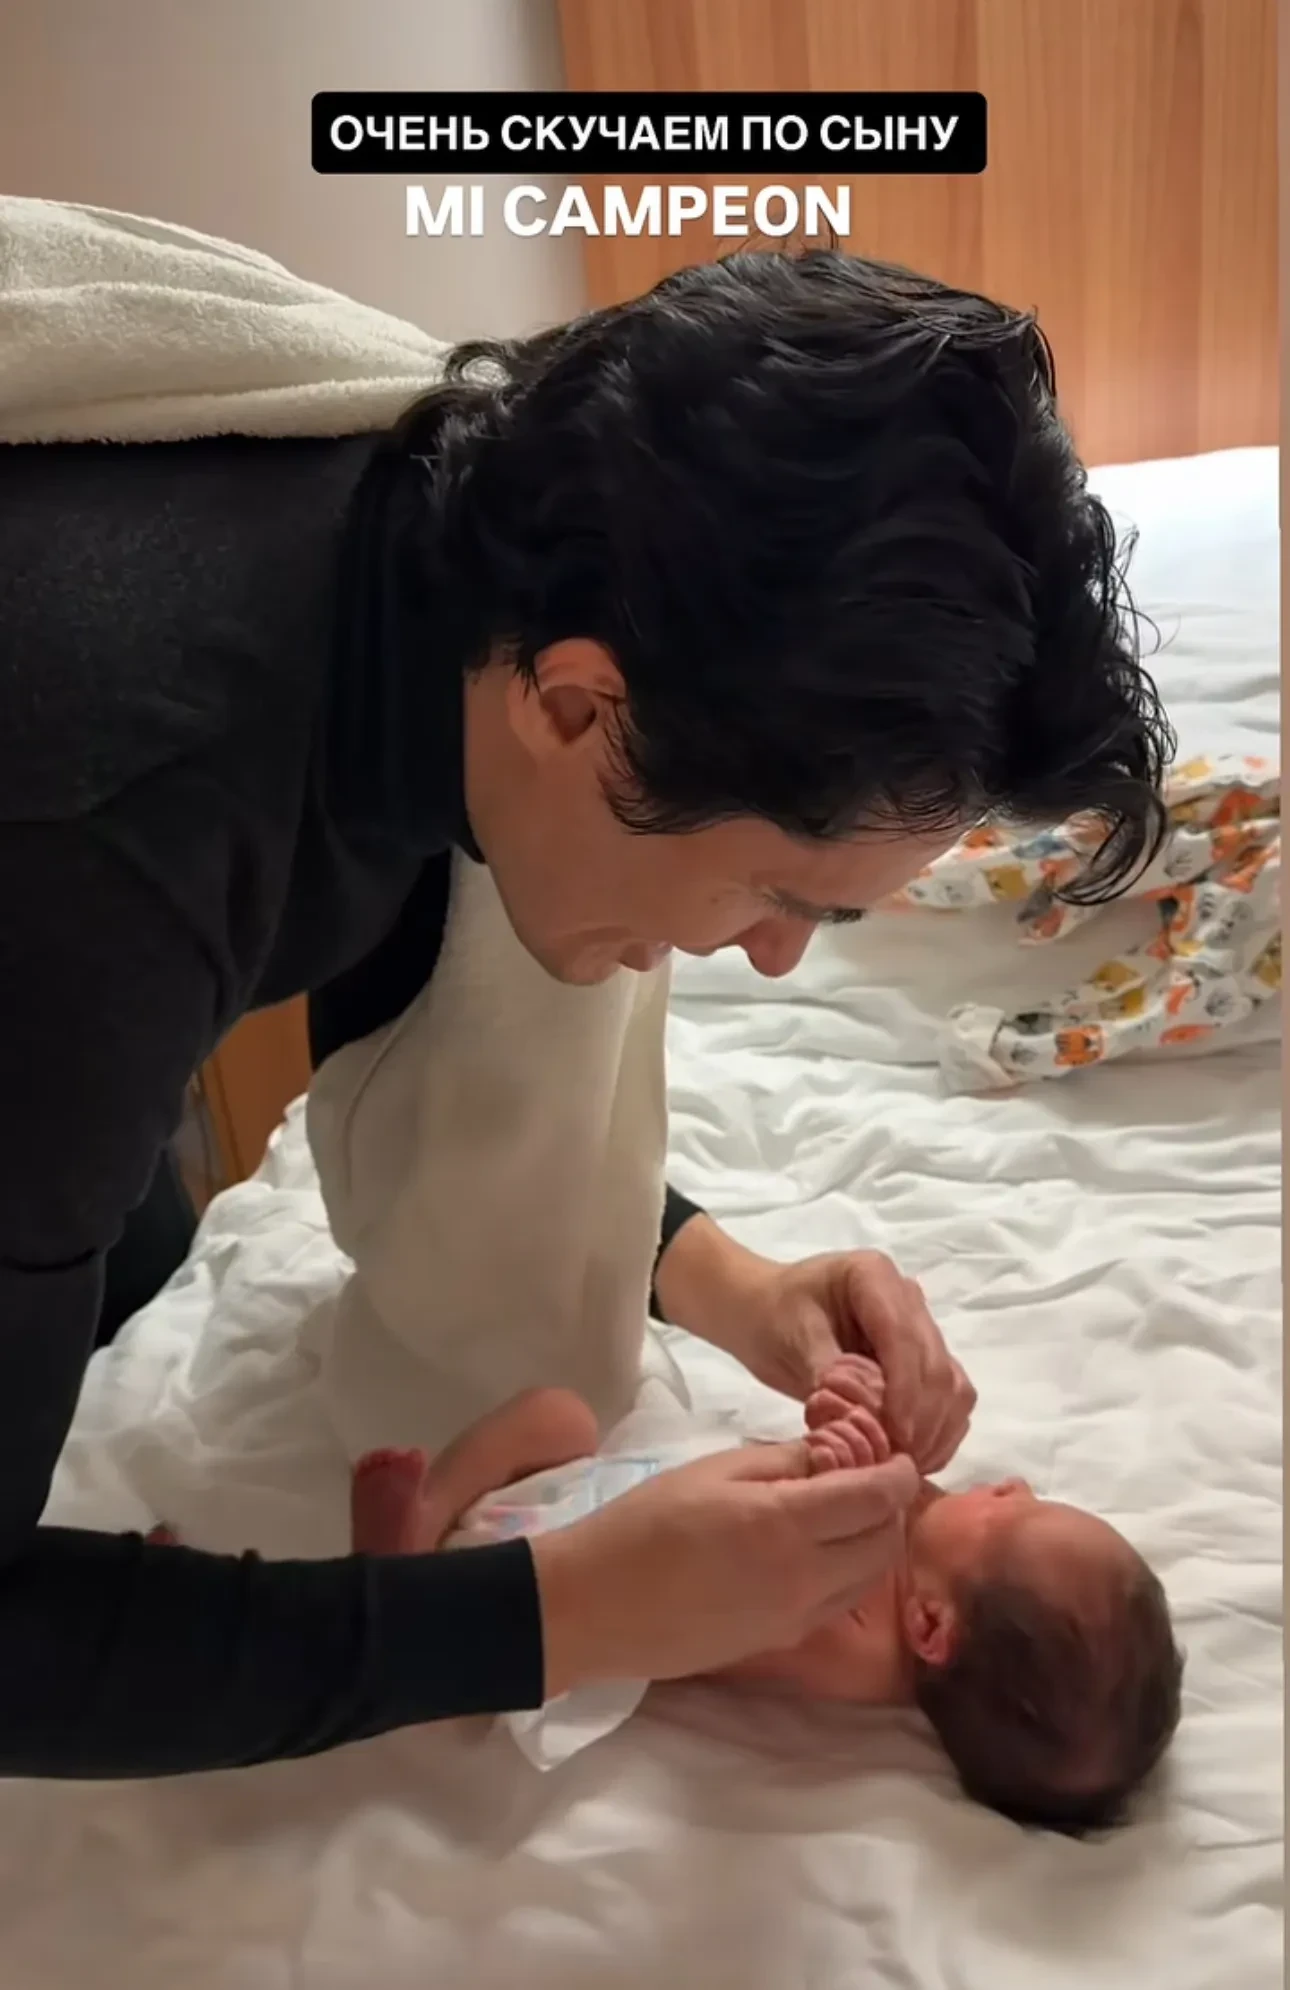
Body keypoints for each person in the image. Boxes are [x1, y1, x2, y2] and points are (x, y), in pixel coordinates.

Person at [0, 246, 1170, 1780]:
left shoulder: (438, 554)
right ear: (574, 708)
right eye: (780, 894)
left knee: (120, 1285)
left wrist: (730, 1284)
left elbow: (416, 1052)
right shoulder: (102, 856)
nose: (769, 960)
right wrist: (548, 1616)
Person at [348, 1370, 1183, 1836]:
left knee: (481, 1669)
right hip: (603, 1489)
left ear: (932, 1626)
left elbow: (750, 1587)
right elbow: (831, 1459)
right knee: (559, 1413)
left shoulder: (859, 1653)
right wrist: (853, 1411)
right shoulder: (913, 1540)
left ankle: (405, 1567)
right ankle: (431, 1507)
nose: (1014, 1483)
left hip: (554, 1584)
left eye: (1010, 1513)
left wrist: (822, 1475)